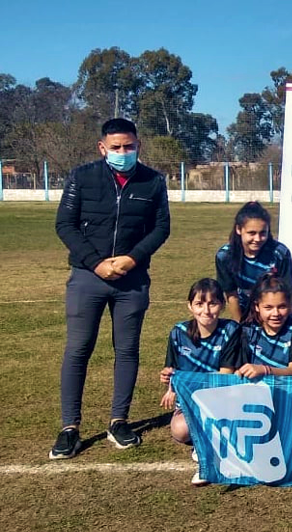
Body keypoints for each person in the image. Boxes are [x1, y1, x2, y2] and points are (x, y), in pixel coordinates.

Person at [50, 118, 171, 459]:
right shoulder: (82, 177)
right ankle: (69, 428)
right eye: (115, 147)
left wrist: (132, 260)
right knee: (78, 350)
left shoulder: (153, 181)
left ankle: (119, 421)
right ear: (102, 148)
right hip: (88, 276)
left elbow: (160, 228)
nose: (122, 153)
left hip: (131, 279)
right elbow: (65, 224)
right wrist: (96, 262)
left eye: (128, 146)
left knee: (127, 350)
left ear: (138, 146)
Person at [158, 278, 239, 486]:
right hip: (189, 400)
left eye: (213, 303)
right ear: (190, 306)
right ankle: (204, 440)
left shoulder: (230, 330)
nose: (206, 310)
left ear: (221, 305)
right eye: (199, 304)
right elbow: (173, 370)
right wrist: (169, 383)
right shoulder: (178, 332)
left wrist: (187, 382)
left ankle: (207, 450)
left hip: (220, 398)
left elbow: (225, 376)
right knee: (180, 431)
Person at [215, 201, 292, 321]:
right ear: (239, 229)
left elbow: (288, 292)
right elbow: (232, 296)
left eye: (262, 233)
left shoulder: (280, 253)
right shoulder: (224, 256)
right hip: (247, 308)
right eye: (251, 233)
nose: (257, 239)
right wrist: (241, 326)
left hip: (279, 308)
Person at [237, 274, 292, 378]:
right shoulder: (249, 330)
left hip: (288, 389)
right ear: (257, 307)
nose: (276, 313)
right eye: (268, 307)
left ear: (291, 305)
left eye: (282, 307)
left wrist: (265, 370)